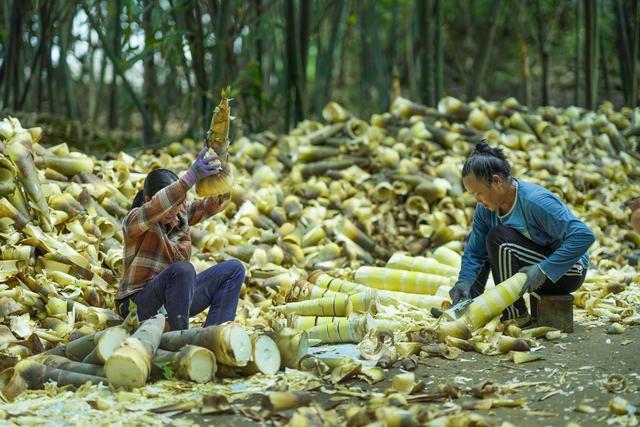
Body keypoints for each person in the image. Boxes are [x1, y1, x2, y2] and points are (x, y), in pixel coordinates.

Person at [449, 141, 595, 325]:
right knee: (485, 244)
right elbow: (474, 252)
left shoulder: (535, 201)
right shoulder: (485, 211)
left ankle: (515, 316)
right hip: (535, 265)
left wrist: (544, 269)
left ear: (496, 181)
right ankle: (465, 307)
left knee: (499, 239)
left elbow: (584, 235)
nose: (478, 201)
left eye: (479, 194)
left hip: (568, 272)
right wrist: (464, 282)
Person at [115, 147, 245, 331]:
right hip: (139, 304)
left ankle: (215, 336)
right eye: (169, 206)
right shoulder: (135, 220)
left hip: (174, 301)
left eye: (179, 205)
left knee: (234, 270)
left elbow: (214, 204)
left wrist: (222, 166)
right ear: (147, 200)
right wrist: (190, 177)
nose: (174, 212)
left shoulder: (181, 211)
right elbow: (159, 204)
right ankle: (180, 337)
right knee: (184, 271)